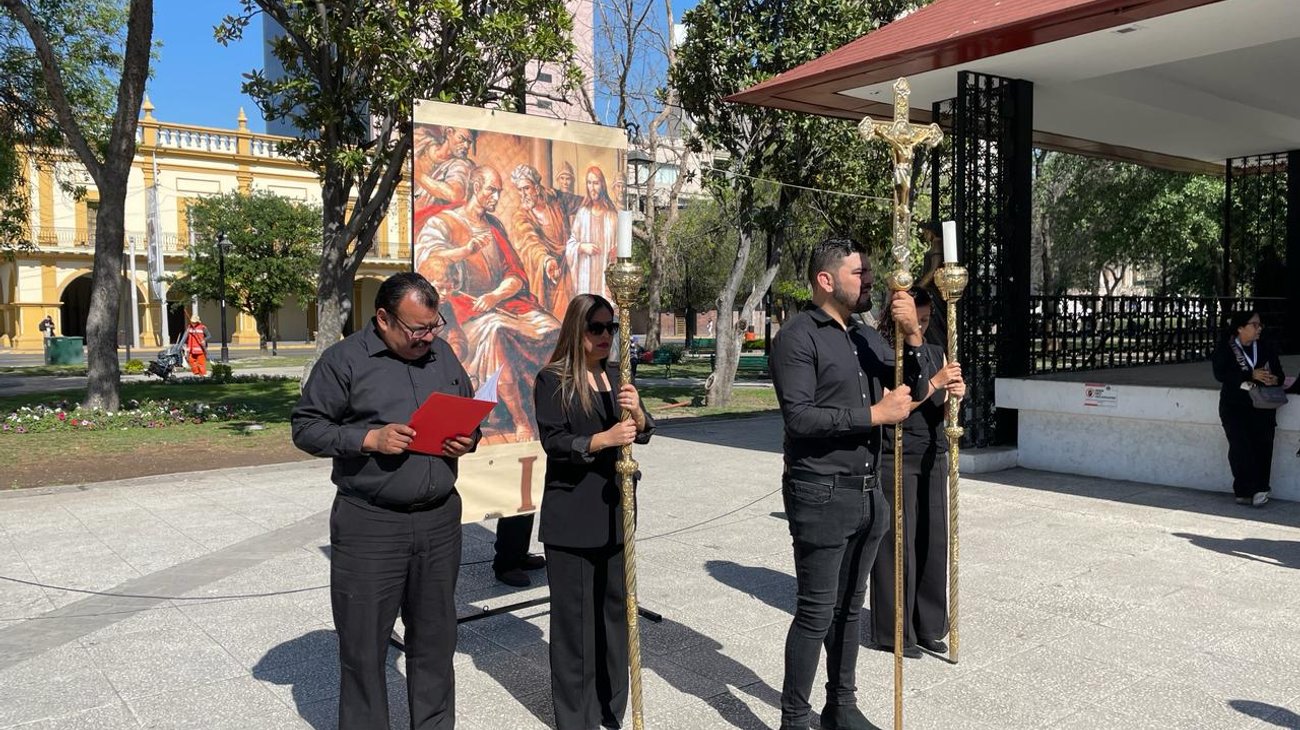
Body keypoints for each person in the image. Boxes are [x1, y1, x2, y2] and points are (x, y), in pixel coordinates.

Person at [291, 272, 478, 729]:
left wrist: (468, 439)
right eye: (417, 329)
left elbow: (469, 412)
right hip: (371, 525)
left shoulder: (442, 355)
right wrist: (368, 439)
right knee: (363, 646)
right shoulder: (344, 361)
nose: (427, 338)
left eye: (434, 326)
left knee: (435, 640)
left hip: (438, 521)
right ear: (383, 318)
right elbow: (306, 428)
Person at [770, 238, 935, 730]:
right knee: (816, 612)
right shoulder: (797, 336)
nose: (868, 281)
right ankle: (794, 718)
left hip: (868, 491)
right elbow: (799, 417)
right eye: (858, 273)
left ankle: (840, 706)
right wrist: (873, 415)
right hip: (819, 491)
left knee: (849, 609)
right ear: (826, 280)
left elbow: (911, 389)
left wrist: (913, 335)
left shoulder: (864, 336)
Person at [533, 293, 653, 730]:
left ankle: (611, 705)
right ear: (577, 329)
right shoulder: (553, 379)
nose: (605, 336)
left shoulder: (618, 375)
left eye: (611, 328)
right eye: (596, 328)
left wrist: (638, 414)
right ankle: (576, 716)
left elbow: (644, 430)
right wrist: (602, 440)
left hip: (616, 512)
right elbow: (555, 442)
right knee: (575, 622)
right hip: (572, 515)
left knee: (615, 612)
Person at [416, 165, 561, 442]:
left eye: (498, 192)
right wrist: (466, 250)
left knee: (552, 328)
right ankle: (520, 420)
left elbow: (515, 273)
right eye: (491, 190)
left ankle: (545, 408)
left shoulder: (494, 226)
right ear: (475, 188)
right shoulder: (443, 223)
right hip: (463, 312)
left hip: (501, 303)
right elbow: (428, 264)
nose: (496, 197)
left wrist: (496, 295)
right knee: (497, 331)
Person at [869, 288, 964, 658]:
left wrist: (957, 393)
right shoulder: (883, 353)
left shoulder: (937, 352)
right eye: (914, 319)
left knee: (933, 541)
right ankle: (895, 630)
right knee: (899, 544)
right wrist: (936, 382)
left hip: (932, 453)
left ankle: (928, 625)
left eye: (925, 320)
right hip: (897, 454)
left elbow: (943, 406)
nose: (920, 326)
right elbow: (897, 402)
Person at [1212, 310, 1285, 507]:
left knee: (1263, 446)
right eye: (1254, 325)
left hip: (1262, 405)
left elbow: (1280, 374)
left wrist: (1274, 378)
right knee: (1240, 447)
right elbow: (1220, 374)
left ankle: (1261, 489)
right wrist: (1250, 375)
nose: (1259, 328)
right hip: (1235, 405)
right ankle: (1244, 490)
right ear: (1240, 328)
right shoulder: (1226, 348)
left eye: (1260, 325)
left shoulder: (1265, 347)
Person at [510, 163, 581, 318]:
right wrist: (546, 260)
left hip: (568, 268)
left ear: (536, 188)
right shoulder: (520, 217)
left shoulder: (555, 201)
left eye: (526, 188)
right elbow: (530, 243)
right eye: (519, 190)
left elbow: (582, 203)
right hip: (545, 276)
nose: (523, 194)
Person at [565, 165, 619, 298]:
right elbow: (571, 243)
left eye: (595, 183)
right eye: (589, 183)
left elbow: (619, 243)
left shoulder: (612, 216)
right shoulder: (583, 214)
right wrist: (582, 247)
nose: (592, 188)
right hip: (586, 276)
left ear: (602, 185)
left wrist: (617, 250)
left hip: (604, 276)